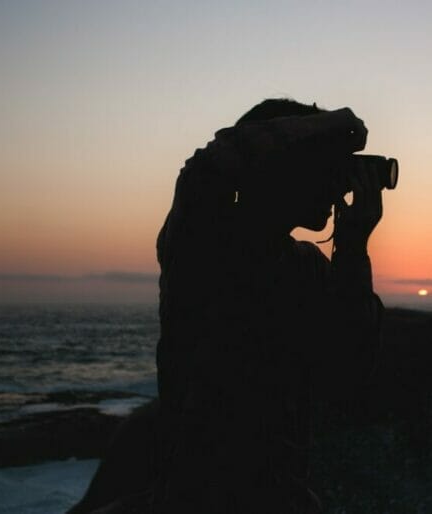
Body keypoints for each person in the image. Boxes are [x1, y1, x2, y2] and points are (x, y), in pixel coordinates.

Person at [152, 99, 385, 513]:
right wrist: (335, 124)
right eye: (326, 167)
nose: (338, 185)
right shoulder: (203, 242)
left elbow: (348, 372)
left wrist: (353, 247)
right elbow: (208, 165)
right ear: (283, 168)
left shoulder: (305, 266)